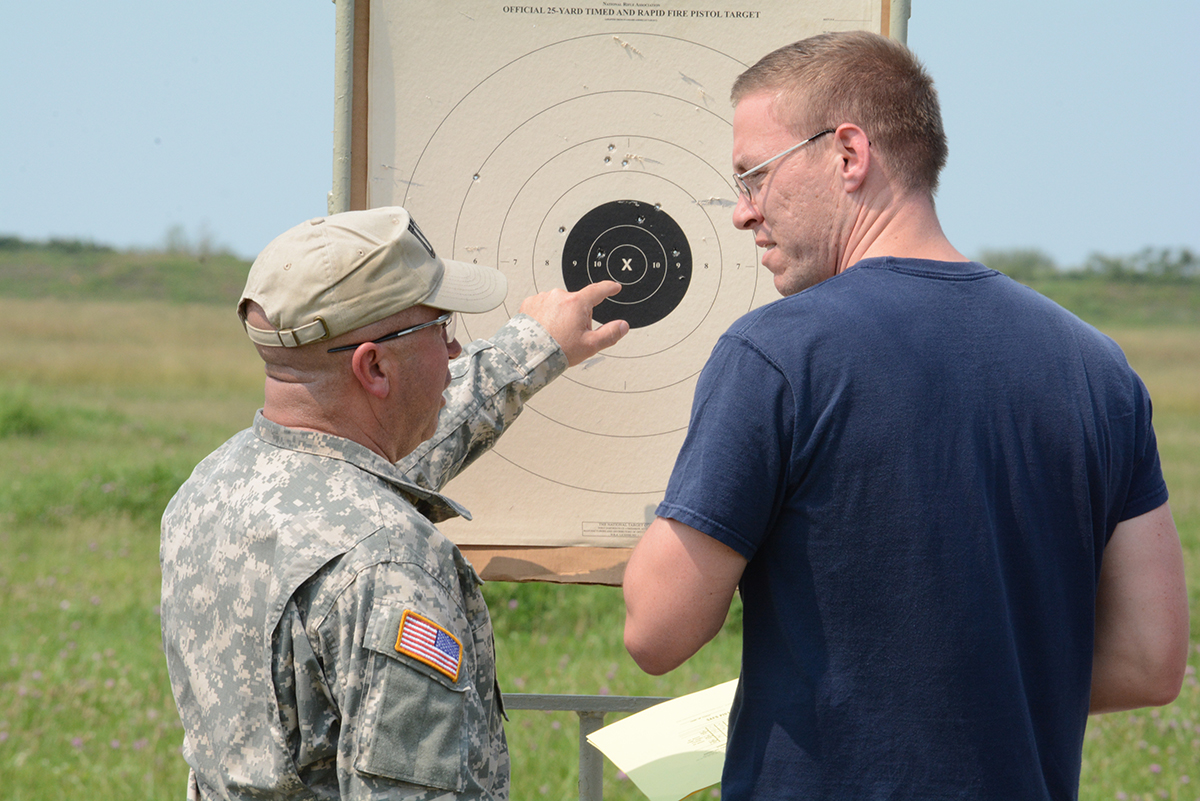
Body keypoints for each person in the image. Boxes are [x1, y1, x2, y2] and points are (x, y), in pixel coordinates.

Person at [622, 30, 1188, 800]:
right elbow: (1152, 659)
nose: (742, 212)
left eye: (754, 175)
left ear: (848, 154)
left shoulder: (777, 355)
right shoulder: (1100, 368)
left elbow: (656, 629)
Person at [160, 206, 628, 800]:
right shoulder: (388, 563)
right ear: (374, 366)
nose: (456, 349)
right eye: (439, 327)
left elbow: (376, 467)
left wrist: (531, 348)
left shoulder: (214, 485)